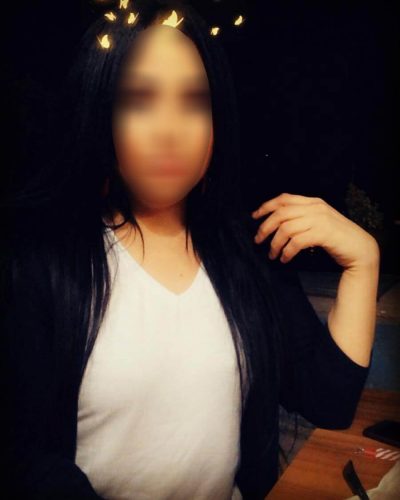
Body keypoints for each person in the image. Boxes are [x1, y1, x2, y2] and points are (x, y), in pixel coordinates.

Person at [0, 1, 379, 499]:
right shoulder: (39, 262)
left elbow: (329, 401)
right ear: (101, 114)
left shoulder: (246, 255)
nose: (170, 129)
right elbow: (23, 456)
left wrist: (363, 261)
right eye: (139, 99)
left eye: (195, 101)